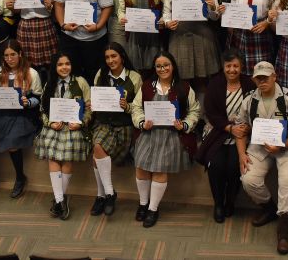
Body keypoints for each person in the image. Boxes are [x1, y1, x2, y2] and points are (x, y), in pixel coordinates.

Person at [235, 60, 288, 255]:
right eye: (258, 78)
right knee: (248, 178)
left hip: (287, 146)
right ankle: (268, 207)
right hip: (259, 146)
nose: (262, 81)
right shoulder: (249, 100)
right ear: (254, 79)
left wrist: (282, 145)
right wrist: (241, 154)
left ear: (275, 77)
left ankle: (283, 231)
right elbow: (240, 129)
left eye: (266, 77)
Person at [131, 52, 202, 228]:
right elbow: (136, 108)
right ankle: (143, 204)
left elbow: (195, 111)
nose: (163, 69)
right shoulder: (147, 86)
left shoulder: (184, 87)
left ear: (173, 66)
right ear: (155, 68)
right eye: (159, 66)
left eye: (166, 65)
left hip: (172, 135)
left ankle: (153, 209)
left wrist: (184, 125)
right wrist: (141, 123)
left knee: (160, 169)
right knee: (140, 167)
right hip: (148, 132)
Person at [34, 52, 92, 220]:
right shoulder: (50, 84)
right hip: (54, 127)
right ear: (55, 67)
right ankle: (60, 200)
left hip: (73, 128)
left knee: (66, 158)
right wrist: (49, 123)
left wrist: (81, 123)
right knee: (53, 156)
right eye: (60, 65)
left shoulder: (80, 82)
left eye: (67, 63)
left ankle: (58, 201)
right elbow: (43, 110)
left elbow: (89, 108)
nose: (64, 67)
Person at [0, 40, 41, 198]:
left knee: (13, 142)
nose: (9, 59)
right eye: (6, 55)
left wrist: (28, 102)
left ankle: (20, 178)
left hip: (22, 115)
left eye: (13, 55)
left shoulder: (31, 73)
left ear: (20, 54)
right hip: (2, 114)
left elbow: (38, 98)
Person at [88, 42, 140, 216]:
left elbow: (140, 108)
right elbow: (94, 102)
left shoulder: (134, 77)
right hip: (102, 123)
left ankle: (100, 195)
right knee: (97, 145)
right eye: (107, 57)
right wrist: (91, 105)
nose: (110, 60)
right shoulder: (100, 75)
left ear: (122, 56)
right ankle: (109, 193)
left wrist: (128, 106)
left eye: (114, 56)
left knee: (98, 155)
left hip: (123, 126)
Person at [198, 50, 249, 222]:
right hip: (219, 132)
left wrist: (242, 129)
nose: (232, 70)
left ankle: (230, 202)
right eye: (228, 66)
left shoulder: (249, 84)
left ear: (241, 67)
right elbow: (211, 113)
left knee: (234, 167)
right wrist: (228, 127)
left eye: (235, 66)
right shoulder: (215, 84)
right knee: (216, 166)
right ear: (223, 67)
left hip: (241, 136)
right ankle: (218, 204)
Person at [162, 0, 221, 87]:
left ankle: (203, 109)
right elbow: (166, 12)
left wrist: (212, 7)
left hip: (203, 37)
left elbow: (215, 16)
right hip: (179, 36)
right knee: (182, 81)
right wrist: (167, 23)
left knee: (203, 81)